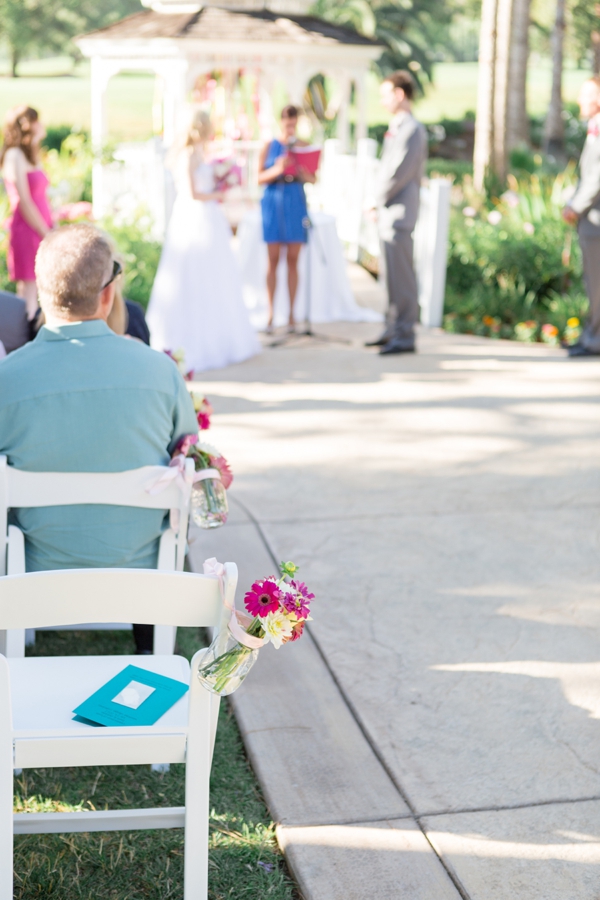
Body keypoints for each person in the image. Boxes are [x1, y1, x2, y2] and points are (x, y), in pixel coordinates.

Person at [0, 224, 198, 653]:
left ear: (43, 291)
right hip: (143, 566)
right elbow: (187, 452)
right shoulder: (159, 372)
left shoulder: (5, 379)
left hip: (33, 567)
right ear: (108, 296)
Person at [147, 110, 260, 372]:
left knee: (216, 276)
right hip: (195, 219)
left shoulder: (201, 153)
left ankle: (219, 336)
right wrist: (220, 193)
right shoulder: (188, 155)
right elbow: (192, 193)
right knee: (194, 276)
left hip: (210, 219)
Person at [366, 71, 427, 355]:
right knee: (390, 274)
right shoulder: (399, 126)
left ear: (400, 94)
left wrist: (375, 200)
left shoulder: (412, 129)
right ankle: (392, 327)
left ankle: (405, 333)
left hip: (399, 212)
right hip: (391, 211)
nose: (383, 101)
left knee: (401, 275)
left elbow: (397, 173)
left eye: (386, 94)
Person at [258, 105, 316, 333]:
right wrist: (277, 169)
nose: (290, 127)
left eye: (294, 123)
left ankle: (292, 315)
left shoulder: (303, 146)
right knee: (273, 259)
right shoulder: (269, 145)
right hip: (274, 199)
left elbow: (313, 177)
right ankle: (271, 314)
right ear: (281, 121)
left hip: (295, 200)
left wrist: (301, 171)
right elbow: (259, 178)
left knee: (293, 258)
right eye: (287, 123)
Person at [1, 105, 53, 322]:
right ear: (27, 125)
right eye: (36, 121)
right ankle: (23, 340)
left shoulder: (30, 154)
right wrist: (45, 232)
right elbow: (23, 200)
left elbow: (42, 197)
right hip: (28, 229)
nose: (41, 125)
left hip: (42, 226)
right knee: (29, 293)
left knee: (43, 288)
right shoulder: (14, 155)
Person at [562, 76, 600, 357]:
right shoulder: (593, 128)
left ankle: (595, 340)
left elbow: (596, 177)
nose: (579, 100)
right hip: (591, 220)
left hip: (596, 220)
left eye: (585, 94)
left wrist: (575, 205)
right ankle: (591, 336)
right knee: (592, 282)